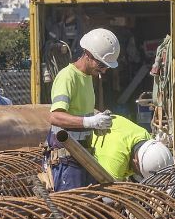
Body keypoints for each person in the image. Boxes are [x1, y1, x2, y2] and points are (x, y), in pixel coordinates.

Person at [47, 27, 121, 191]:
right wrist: (90, 121)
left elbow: (80, 110)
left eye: (106, 67)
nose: (103, 70)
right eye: (101, 64)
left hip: (82, 155)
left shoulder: (87, 78)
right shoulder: (67, 77)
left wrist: (97, 121)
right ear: (88, 55)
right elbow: (55, 117)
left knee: (86, 209)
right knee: (72, 212)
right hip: (67, 159)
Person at [91, 114, 175, 181]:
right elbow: (107, 198)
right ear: (135, 162)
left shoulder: (145, 136)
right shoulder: (114, 165)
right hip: (85, 154)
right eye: (139, 173)